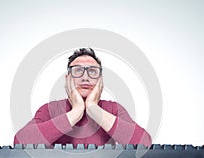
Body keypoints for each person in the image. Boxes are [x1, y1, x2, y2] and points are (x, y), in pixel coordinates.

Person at [14, 48, 151, 147]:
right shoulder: (49, 110)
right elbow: (19, 142)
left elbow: (144, 143)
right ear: (68, 79)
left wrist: (93, 108)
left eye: (92, 72)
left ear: (100, 81)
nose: (85, 78)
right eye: (78, 71)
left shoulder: (113, 109)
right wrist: (76, 111)